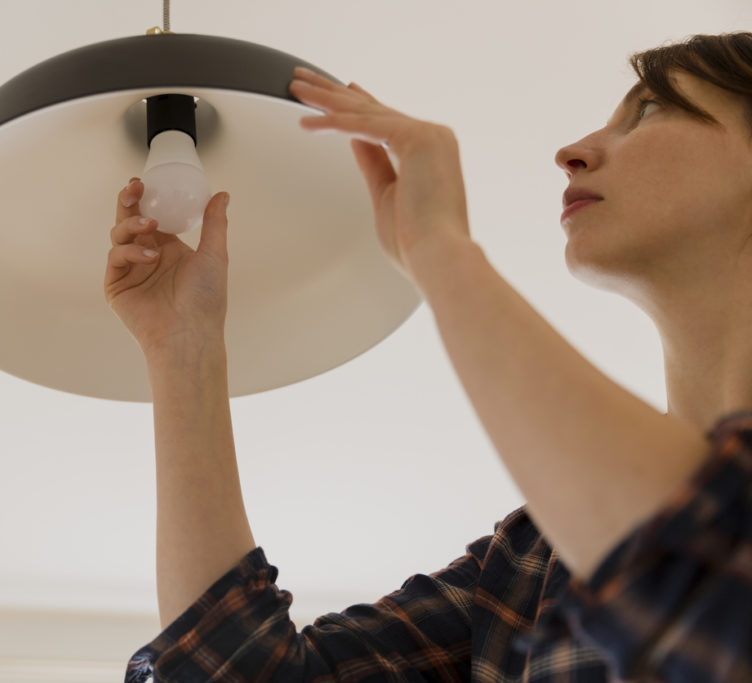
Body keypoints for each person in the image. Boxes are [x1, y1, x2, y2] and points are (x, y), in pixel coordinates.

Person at [105, 31, 752, 682]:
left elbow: (705, 590)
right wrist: (182, 347)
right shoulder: (534, 562)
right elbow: (241, 673)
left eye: (649, 110)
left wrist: (440, 250)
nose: (572, 152)